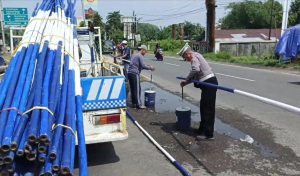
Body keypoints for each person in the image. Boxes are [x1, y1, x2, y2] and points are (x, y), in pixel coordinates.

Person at [177, 44, 218, 140]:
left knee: (208, 109)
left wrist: (186, 79)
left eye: (185, 57)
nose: (185, 59)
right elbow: (196, 75)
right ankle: (202, 129)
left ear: (188, 54)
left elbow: (195, 69)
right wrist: (186, 83)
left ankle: (208, 134)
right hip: (207, 83)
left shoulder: (194, 57)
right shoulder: (196, 56)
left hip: (209, 83)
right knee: (203, 107)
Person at [128, 45, 155, 109]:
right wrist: (150, 68)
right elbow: (143, 66)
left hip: (130, 73)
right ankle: (139, 104)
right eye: (145, 51)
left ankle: (134, 103)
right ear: (142, 50)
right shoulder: (140, 56)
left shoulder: (135, 55)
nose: (145, 53)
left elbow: (138, 65)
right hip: (135, 74)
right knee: (137, 89)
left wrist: (148, 66)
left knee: (133, 89)